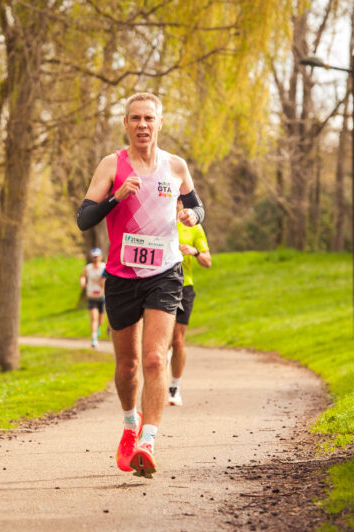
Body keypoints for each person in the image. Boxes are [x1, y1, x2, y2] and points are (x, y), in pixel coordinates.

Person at [77, 92, 205, 478]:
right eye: (135, 118)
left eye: (149, 118)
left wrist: (192, 216)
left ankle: (148, 442)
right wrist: (115, 198)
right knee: (128, 365)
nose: (142, 125)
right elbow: (84, 218)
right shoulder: (111, 165)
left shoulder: (176, 166)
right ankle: (130, 424)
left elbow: (197, 206)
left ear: (160, 123)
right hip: (120, 275)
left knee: (153, 358)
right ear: (126, 124)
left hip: (165, 272)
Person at [169, 199, 212, 406]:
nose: (176, 202)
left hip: (184, 287)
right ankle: (156, 383)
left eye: (180, 198)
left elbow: (207, 261)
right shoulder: (158, 222)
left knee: (177, 341)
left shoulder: (194, 227)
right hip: (159, 285)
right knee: (161, 342)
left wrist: (194, 251)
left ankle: (174, 387)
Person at [80, 248, 107, 348]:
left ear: (101, 257)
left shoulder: (104, 267)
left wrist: (104, 288)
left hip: (101, 295)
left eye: (97, 256)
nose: (95, 258)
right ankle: (94, 338)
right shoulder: (88, 268)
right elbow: (83, 276)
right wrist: (83, 282)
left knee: (100, 320)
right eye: (94, 257)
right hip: (91, 295)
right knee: (94, 318)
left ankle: (98, 328)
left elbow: (106, 280)